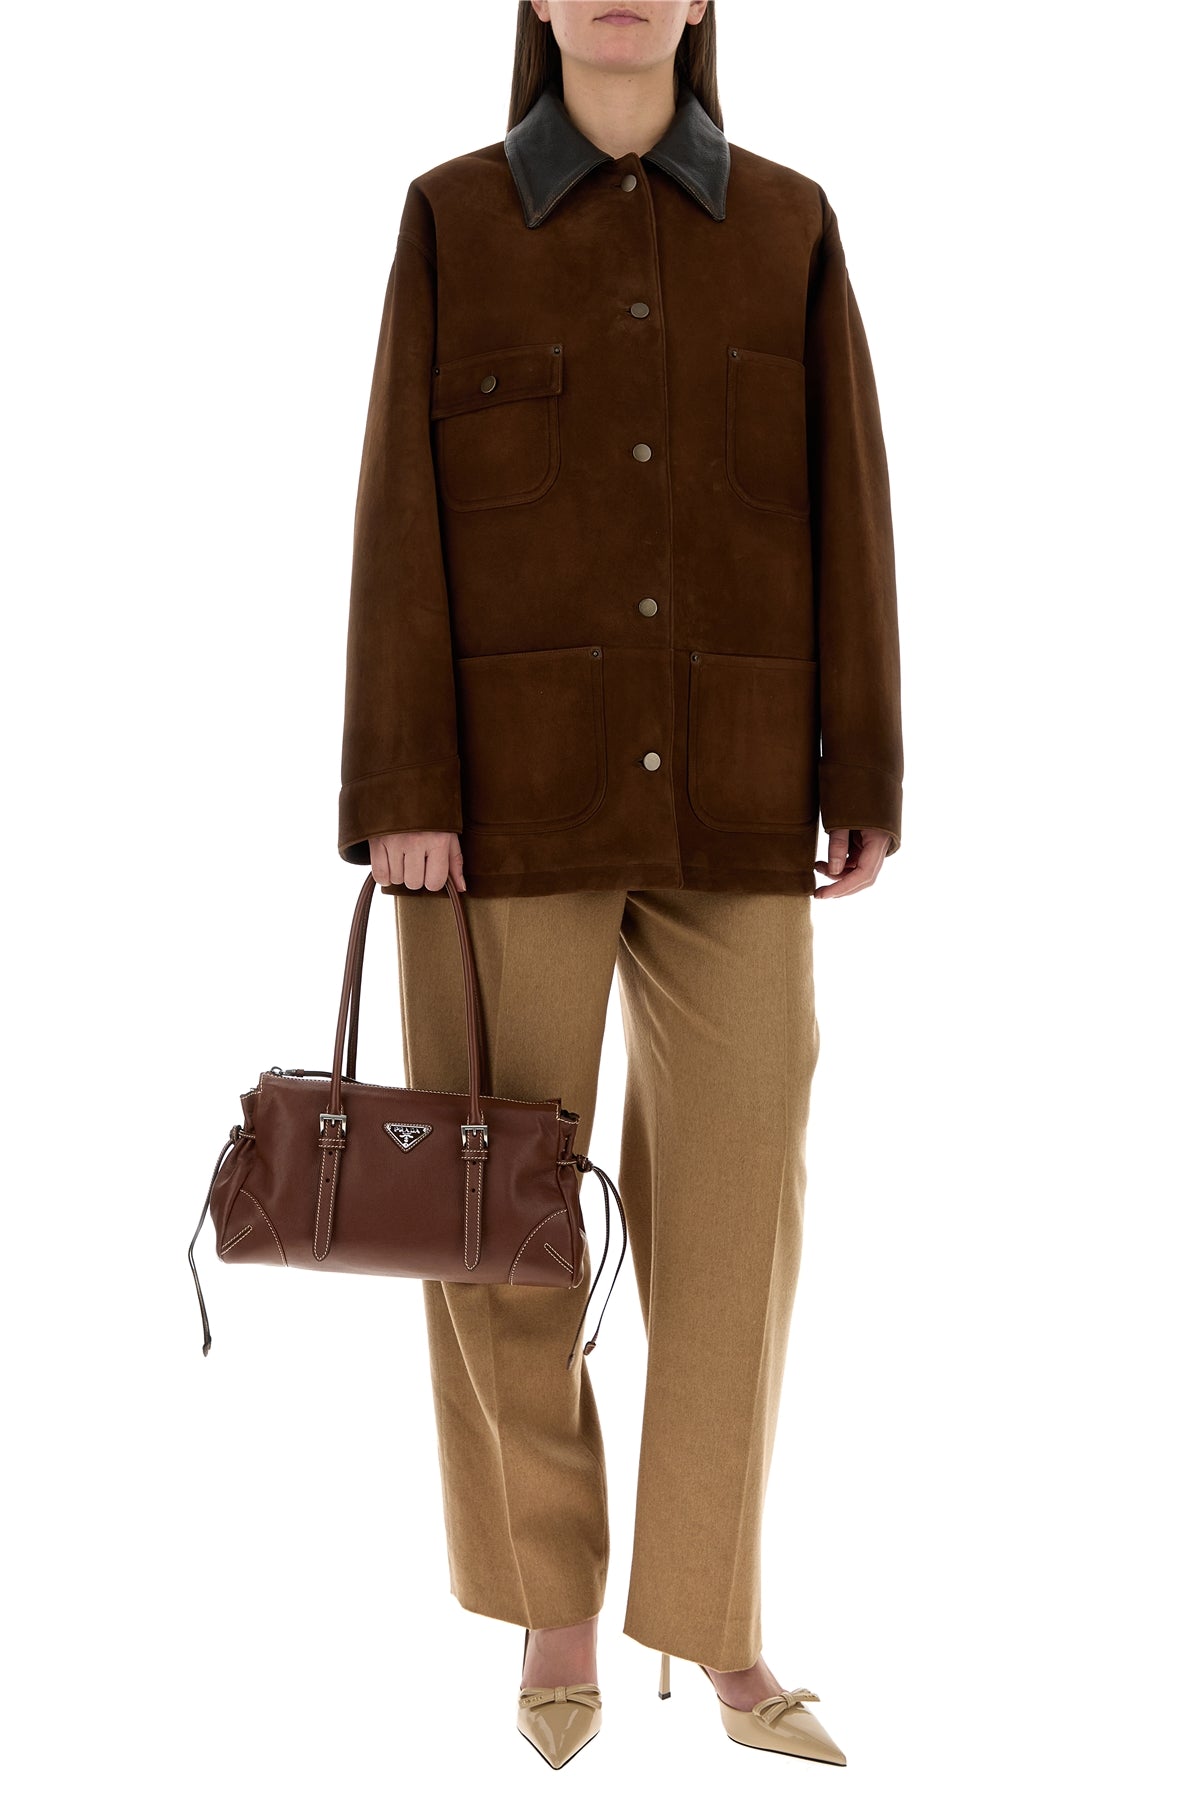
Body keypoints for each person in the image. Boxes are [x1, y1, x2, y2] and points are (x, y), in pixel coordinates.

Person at [337, 0, 902, 1770]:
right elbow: (395, 510)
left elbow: (850, 502)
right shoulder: (452, 218)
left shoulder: (791, 226)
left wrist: (865, 765)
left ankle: (715, 1625)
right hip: (499, 810)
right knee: (490, 1222)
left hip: (741, 798)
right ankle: (551, 1611)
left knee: (738, 1223)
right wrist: (404, 789)